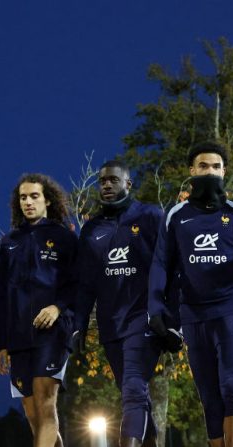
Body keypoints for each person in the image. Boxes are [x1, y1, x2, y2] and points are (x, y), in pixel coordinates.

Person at [148, 142, 233, 447]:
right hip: (193, 315)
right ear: (191, 171)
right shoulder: (176, 215)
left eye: (216, 167)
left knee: (232, 385)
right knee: (209, 396)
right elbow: (161, 264)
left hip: (232, 311)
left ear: (224, 172)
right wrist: (154, 310)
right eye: (203, 166)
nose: (210, 172)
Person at [74, 160, 169, 447]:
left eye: (113, 180)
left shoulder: (152, 216)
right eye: (102, 181)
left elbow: (170, 265)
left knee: (132, 389)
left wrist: (169, 315)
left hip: (145, 320)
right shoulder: (91, 230)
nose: (106, 185)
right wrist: (78, 325)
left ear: (128, 184)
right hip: (110, 324)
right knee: (133, 392)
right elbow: (86, 283)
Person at [0, 173, 77, 447]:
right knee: (33, 416)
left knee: (45, 403)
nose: (28, 202)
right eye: (23, 197)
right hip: (18, 338)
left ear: (48, 200)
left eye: (34, 196)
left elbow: (80, 283)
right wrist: (0, 344)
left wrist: (58, 307)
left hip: (52, 334)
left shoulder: (64, 237)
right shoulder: (8, 243)